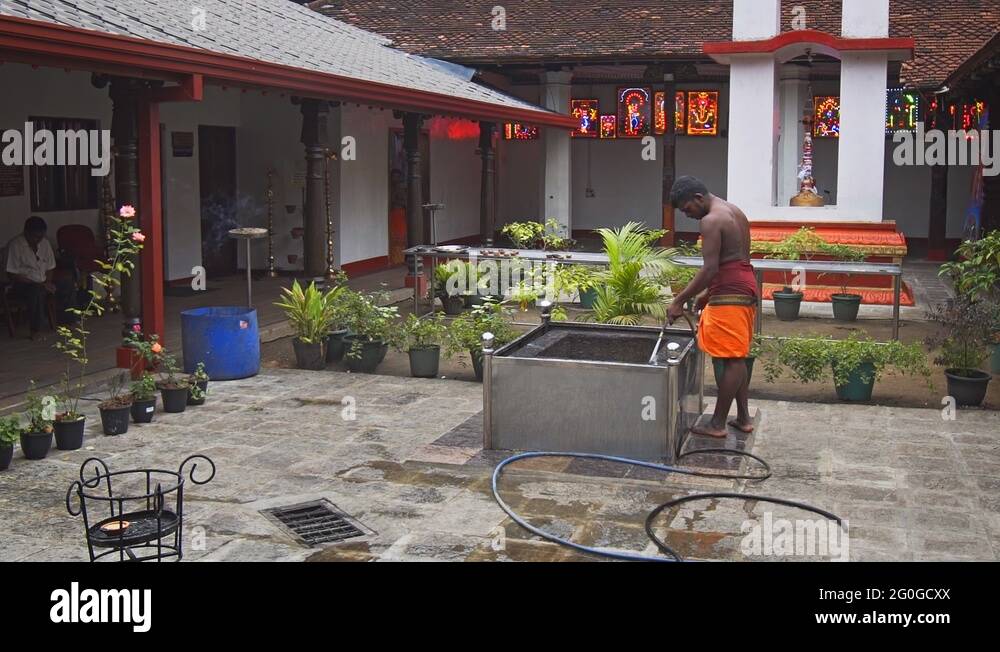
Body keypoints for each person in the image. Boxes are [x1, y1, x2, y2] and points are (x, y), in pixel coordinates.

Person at [667, 176, 758, 437]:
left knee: (730, 357)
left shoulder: (710, 220)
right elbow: (734, 259)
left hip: (730, 291)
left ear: (698, 198)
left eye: (687, 210)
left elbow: (710, 268)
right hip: (743, 284)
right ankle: (742, 417)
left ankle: (717, 423)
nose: (689, 216)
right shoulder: (734, 211)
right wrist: (708, 293)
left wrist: (679, 300)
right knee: (735, 353)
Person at [5, 217, 58, 339]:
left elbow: (50, 267)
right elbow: (12, 274)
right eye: (35, 237)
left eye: (41, 236)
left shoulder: (45, 243)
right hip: (22, 284)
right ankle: (36, 330)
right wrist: (40, 285)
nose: (38, 240)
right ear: (26, 233)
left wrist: (48, 282)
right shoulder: (15, 245)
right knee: (35, 291)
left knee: (66, 282)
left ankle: (67, 321)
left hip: (43, 281)